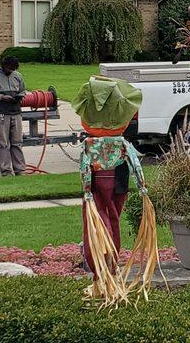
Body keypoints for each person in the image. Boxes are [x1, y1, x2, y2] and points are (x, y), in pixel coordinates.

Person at [72, 76, 160, 305]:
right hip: (118, 184)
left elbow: (84, 168)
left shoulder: (90, 145)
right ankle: (108, 270)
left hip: (96, 188)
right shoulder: (121, 144)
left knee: (98, 224)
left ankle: (102, 272)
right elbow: (135, 164)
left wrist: (87, 191)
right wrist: (142, 188)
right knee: (112, 219)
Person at [0, 57, 26, 176]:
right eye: (9, 68)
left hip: (16, 112)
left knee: (17, 142)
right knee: (3, 143)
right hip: (1, 113)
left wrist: (19, 96)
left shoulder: (17, 75)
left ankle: (20, 170)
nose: (10, 71)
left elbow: (23, 91)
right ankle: (6, 171)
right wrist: (2, 97)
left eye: (13, 69)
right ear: (3, 65)